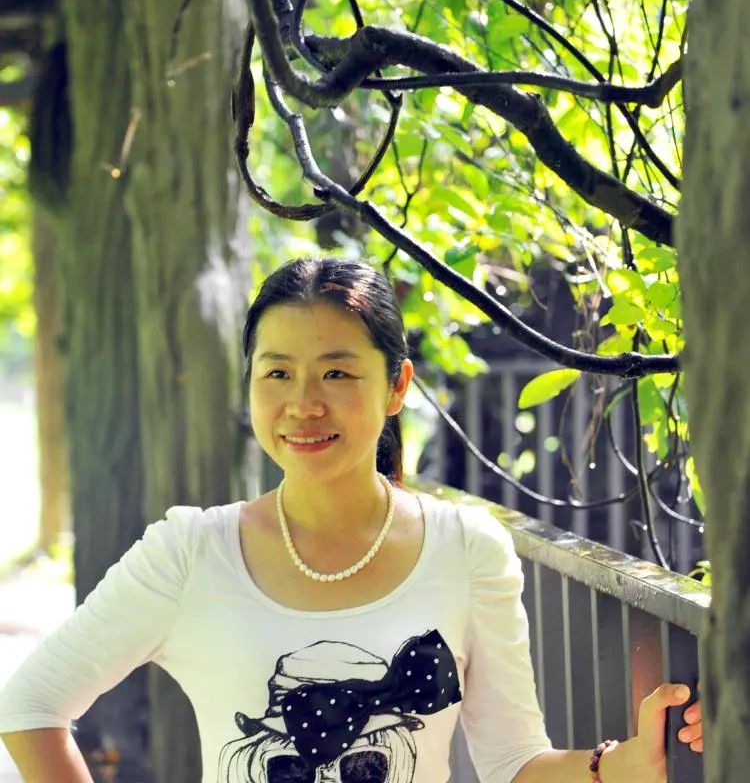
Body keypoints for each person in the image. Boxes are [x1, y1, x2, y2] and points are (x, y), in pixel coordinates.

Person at [0, 257, 702, 783]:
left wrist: (622, 764)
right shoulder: (191, 551)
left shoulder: (468, 549)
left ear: (397, 386)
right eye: (277, 373)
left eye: (336, 373)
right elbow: (29, 705)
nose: (304, 403)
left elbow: (513, 762)